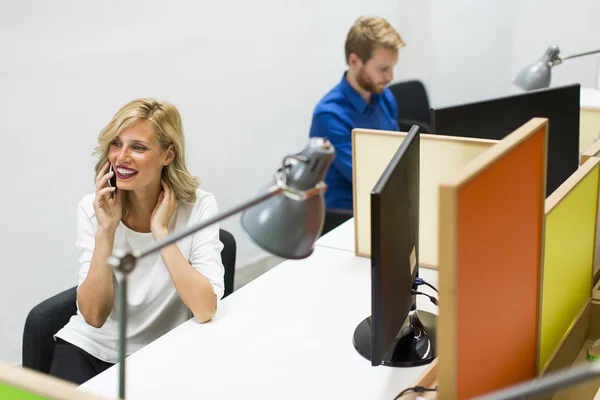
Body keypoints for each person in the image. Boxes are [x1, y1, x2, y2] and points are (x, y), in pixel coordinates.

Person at [50, 98, 225, 385]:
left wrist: (162, 233)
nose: (121, 157)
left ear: (168, 155)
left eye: (138, 147)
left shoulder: (198, 206)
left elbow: (205, 309)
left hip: (163, 350)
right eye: (116, 144)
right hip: (91, 349)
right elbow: (93, 316)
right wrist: (106, 230)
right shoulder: (92, 209)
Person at [309, 16, 405, 211]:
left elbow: (397, 158)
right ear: (354, 61)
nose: (390, 77)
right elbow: (369, 180)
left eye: (392, 68)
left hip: (385, 203)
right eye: (383, 69)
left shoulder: (384, 97)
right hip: (347, 215)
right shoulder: (329, 115)